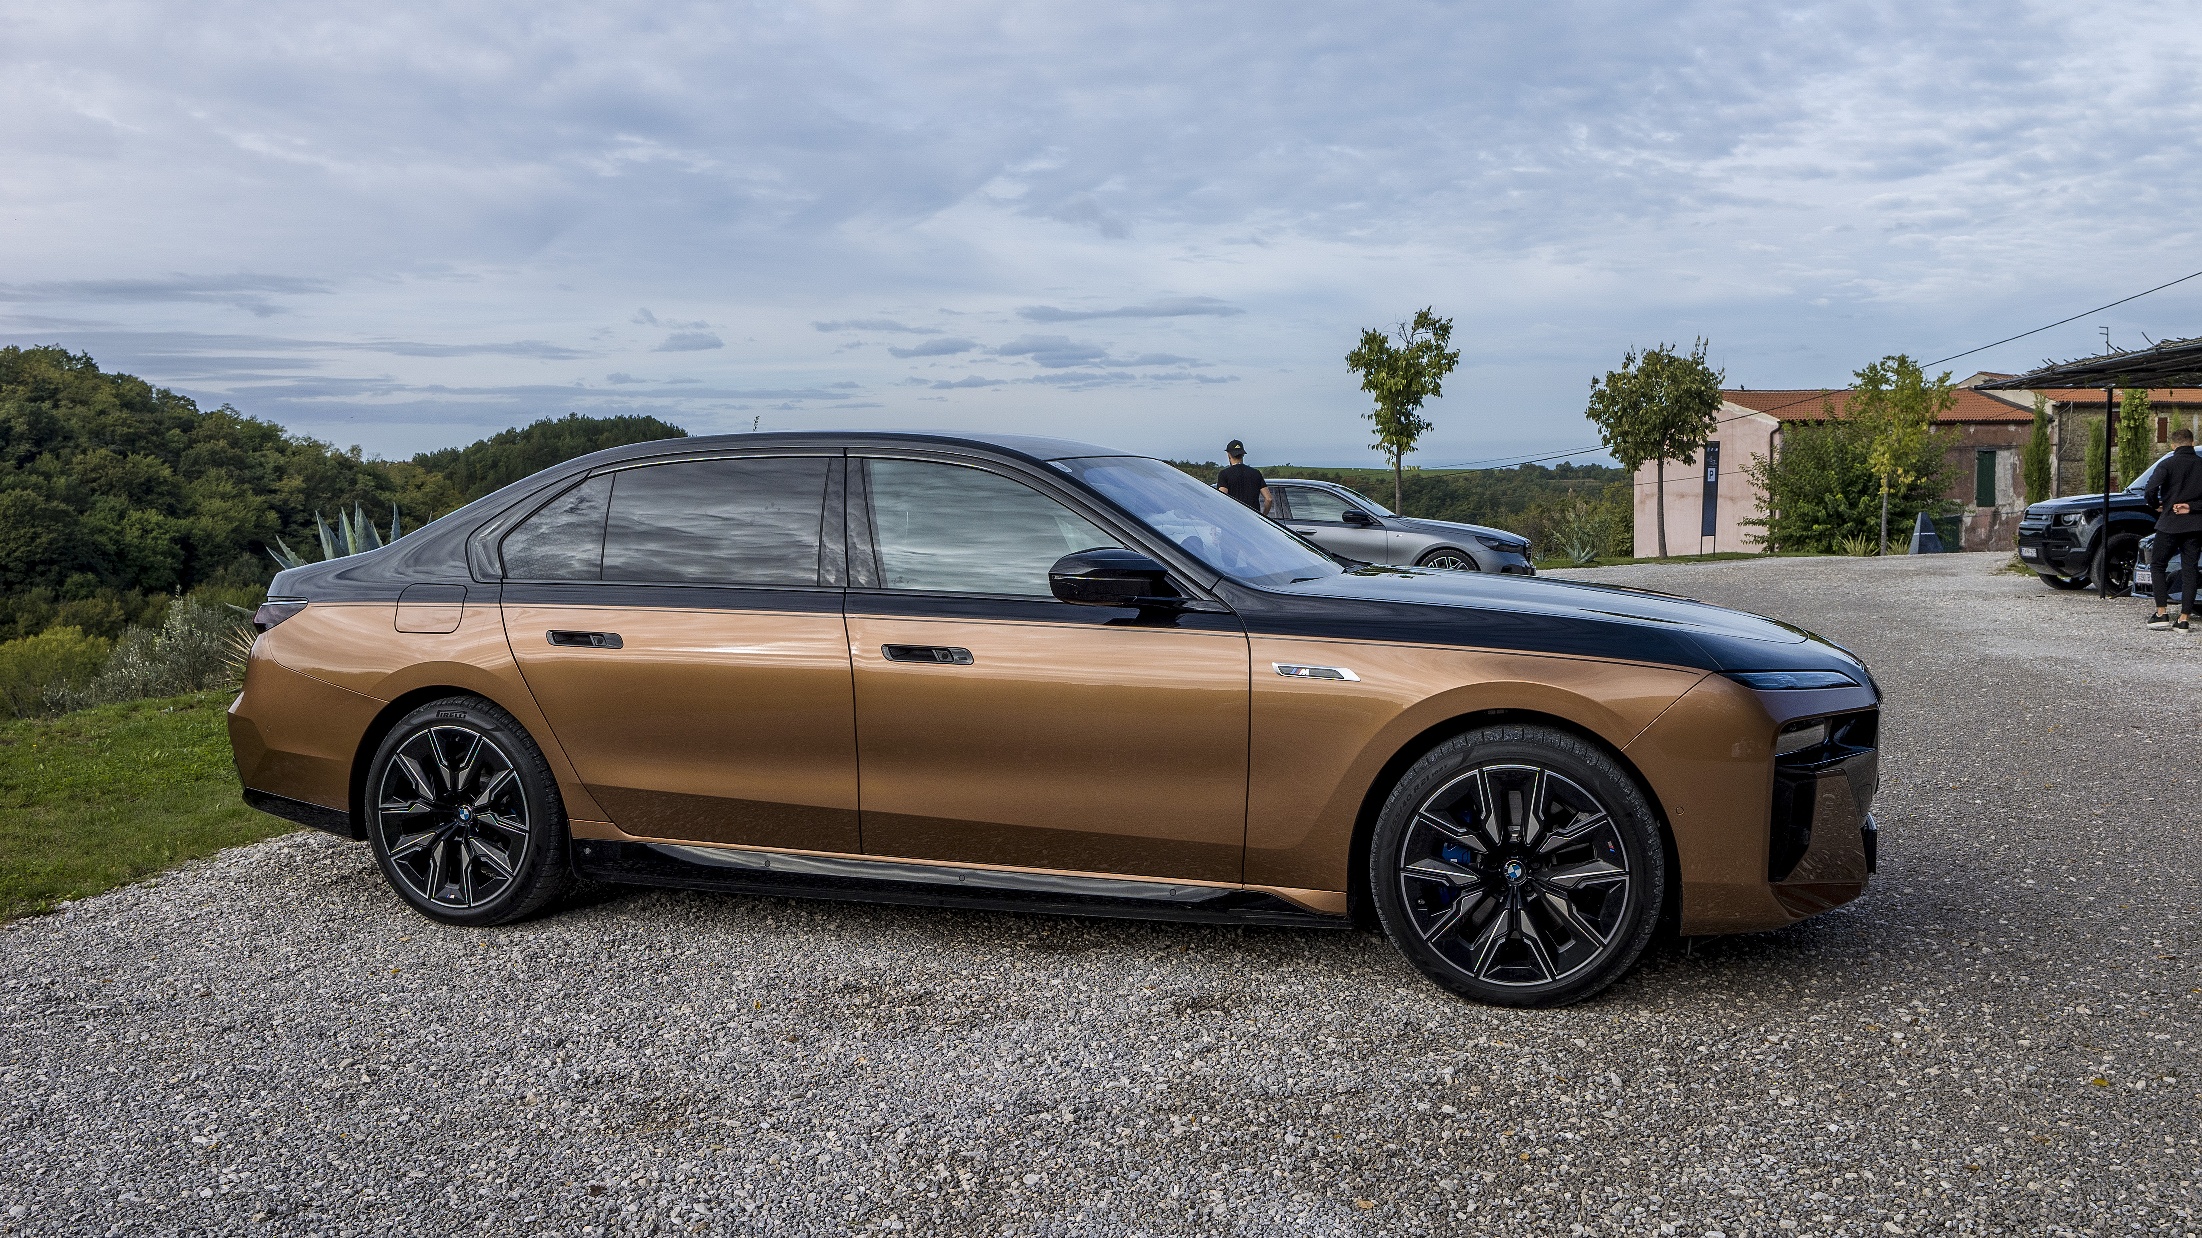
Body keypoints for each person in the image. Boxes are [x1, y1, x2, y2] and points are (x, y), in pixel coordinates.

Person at [2145, 427, 2202, 632]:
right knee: (2190, 570)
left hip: (2169, 523)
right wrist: (2192, 507)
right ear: (2192, 443)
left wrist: (2157, 505)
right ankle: (2184, 619)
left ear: (2173, 445)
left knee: (2157, 564)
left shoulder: (2167, 464)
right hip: (2195, 526)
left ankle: (2161, 613)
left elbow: (2150, 490)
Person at [1214, 440, 1272, 515]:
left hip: (1234, 517)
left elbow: (1222, 497)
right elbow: (1269, 499)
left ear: (1228, 454)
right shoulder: (1256, 473)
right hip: (1253, 518)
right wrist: (1263, 516)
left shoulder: (1224, 474)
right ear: (1243, 454)